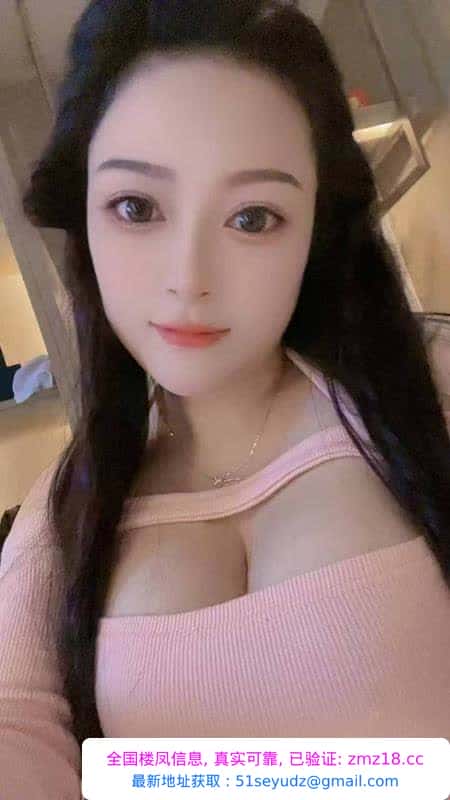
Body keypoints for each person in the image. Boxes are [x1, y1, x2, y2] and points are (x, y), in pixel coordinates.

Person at [1, 1, 449, 796]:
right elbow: (19, 731)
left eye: (253, 217)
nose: (189, 278)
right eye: (137, 208)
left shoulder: (431, 389)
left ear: (315, 231)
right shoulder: (61, 514)